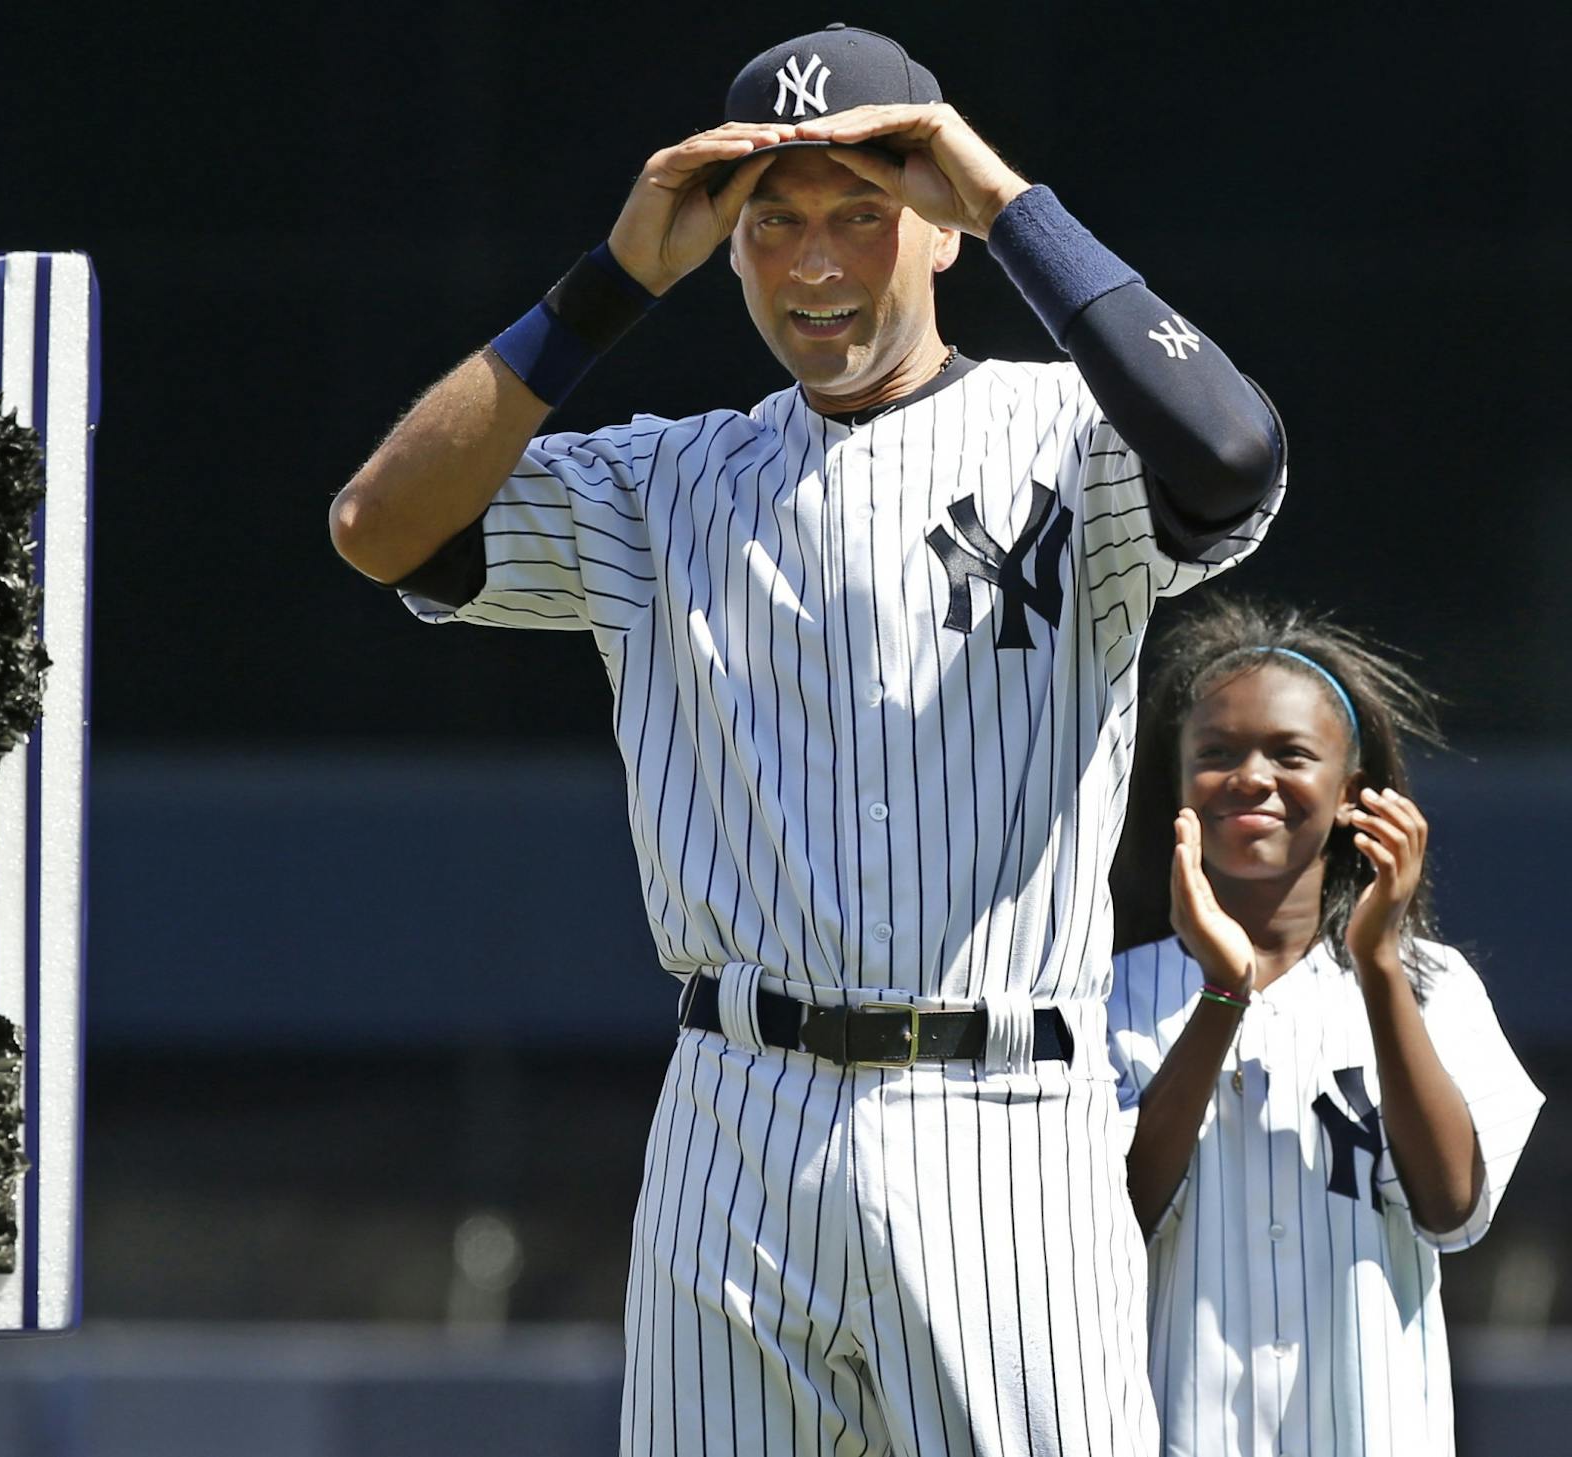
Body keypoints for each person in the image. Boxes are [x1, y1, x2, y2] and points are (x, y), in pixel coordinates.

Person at [330, 23, 1285, 1456]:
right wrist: (605, 288)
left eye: (862, 214)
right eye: (774, 226)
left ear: (940, 229)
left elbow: (1231, 452)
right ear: (726, 250)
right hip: (737, 1110)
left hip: (1002, 1122)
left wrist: (1013, 206)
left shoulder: (1072, 442)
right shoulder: (665, 477)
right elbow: (381, 527)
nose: (817, 266)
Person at [1106, 597, 1543, 1457]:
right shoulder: (1103, 992)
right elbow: (1117, 1217)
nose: (1252, 777)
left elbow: (1452, 1208)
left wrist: (1380, 962)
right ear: (1174, 781)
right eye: (1216, 753)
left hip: (1374, 1428)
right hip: (1171, 1429)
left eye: (1290, 753)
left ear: (1351, 792)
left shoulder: (1430, 984)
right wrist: (1222, 998)